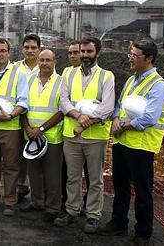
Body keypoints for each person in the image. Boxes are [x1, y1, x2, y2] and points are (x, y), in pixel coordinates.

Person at [101, 40, 164, 246]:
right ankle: (119, 221)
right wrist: (115, 118)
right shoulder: (132, 80)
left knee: (142, 191)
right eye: (130, 54)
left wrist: (124, 126)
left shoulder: (158, 85)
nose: (130, 58)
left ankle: (143, 232)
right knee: (120, 186)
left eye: (134, 55)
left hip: (141, 146)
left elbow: (150, 117)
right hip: (123, 143)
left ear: (148, 59)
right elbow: (121, 104)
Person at [55, 37, 115, 234]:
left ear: (97, 53)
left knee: (95, 179)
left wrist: (85, 122)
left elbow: (107, 107)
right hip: (71, 136)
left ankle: (93, 215)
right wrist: (79, 116)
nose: (85, 55)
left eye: (89, 52)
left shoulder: (107, 76)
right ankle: (72, 210)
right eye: (82, 51)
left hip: (95, 138)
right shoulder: (68, 73)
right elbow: (63, 101)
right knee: (72, 177)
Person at [0, 38, 29, 217]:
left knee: (11, 166)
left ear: (9, 53)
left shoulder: (18, 74)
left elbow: (24, 102)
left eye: (3, 50)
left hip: (10, 128)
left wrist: (10, 115)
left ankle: (10, 200)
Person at [19, 49, 64, 223]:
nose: (44, 63)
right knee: (34, 172)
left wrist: (42, 129)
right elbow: (22, 105)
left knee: (52, 174)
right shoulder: (29, 80)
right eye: (42, 60)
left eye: (48, 60)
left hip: (51, 137)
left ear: (54, 62)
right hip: (30, 136)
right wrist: (28, 128)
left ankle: (52, 207)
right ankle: (37, 201)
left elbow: (62, 111)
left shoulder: (62, 82)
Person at [61, 41, 90, 213]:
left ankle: (88, 206)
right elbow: (63, 100)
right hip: (70, 131)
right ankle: (69, 204)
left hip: (91, 132)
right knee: (69, 174)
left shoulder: (96, 75)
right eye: (70, 53)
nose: (73, 56)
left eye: (76, 52)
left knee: (91, 175)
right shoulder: (66, 72)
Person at [13, 33, 41, 202]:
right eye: (27, 47)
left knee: (38, 158)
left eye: (33, 48)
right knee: (18, 157)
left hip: (38, 122)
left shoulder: (46, 66)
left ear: (39, 49)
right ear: (22, 49)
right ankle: (21, 187)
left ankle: (39, 193)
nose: (30, 51)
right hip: (17, 120)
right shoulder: (15, 68)